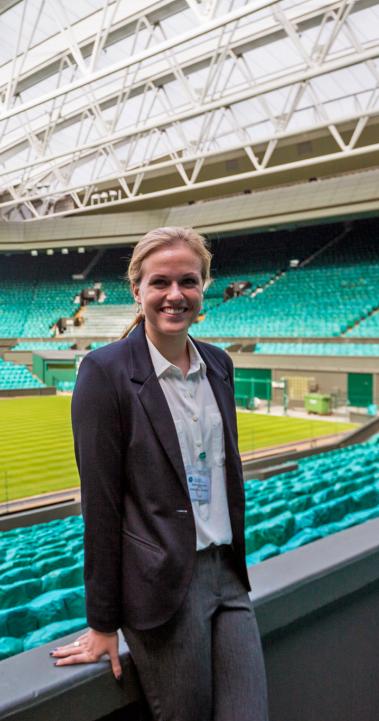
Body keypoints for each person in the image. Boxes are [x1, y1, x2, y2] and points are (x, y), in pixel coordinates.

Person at [51, 227, 269, 721]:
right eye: (160, 283)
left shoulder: (219, 363)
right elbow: (101, 506)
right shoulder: (103, 372)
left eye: (188, 281)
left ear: (204, 286)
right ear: (138, 290)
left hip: (229, 576)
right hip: (163, 590)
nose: (175, 295)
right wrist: (103, 623)